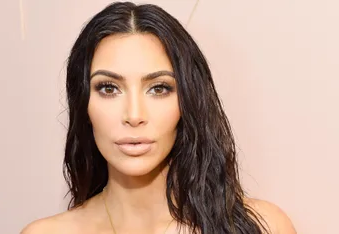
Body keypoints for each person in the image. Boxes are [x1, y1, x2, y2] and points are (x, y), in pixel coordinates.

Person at [21, 2, 296, 234]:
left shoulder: (262, 226)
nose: (134, 115)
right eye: (108, 88)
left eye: (159, 88)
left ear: (186, 102)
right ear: (83, 104)